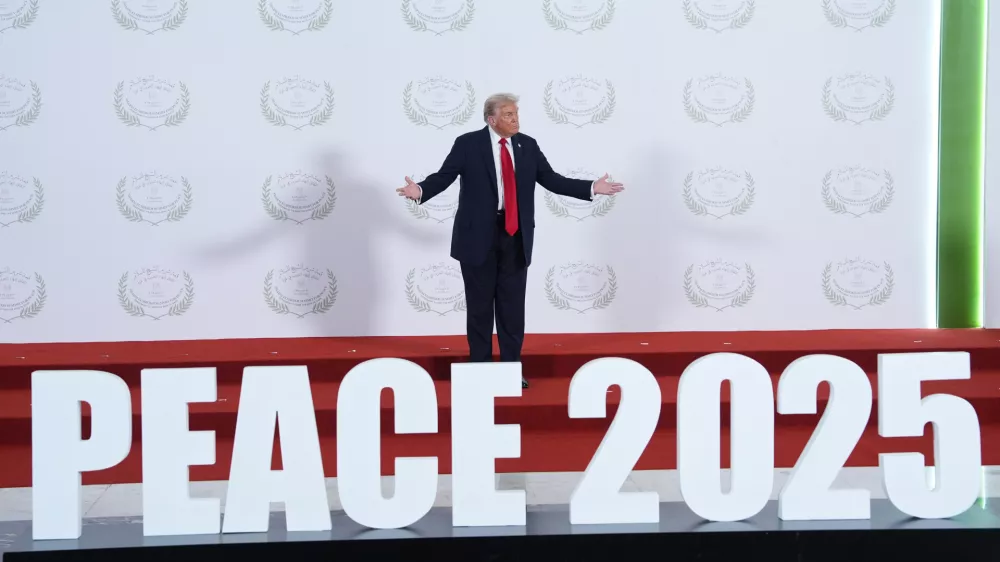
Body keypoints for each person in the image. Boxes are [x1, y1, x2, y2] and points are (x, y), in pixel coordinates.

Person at [396, 93, 624, 387]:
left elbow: (552, 179)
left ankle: (511, 369)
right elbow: (445, 176)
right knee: (479, 307)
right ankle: (478, 368)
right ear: (491, 119)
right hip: (476, 236)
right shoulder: (468, 144)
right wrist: (421, 191)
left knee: (512, 307)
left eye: (516, 113)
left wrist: (593, 187)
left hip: (515, 234)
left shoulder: (527, 145)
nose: (515, 119)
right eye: (508, 115)